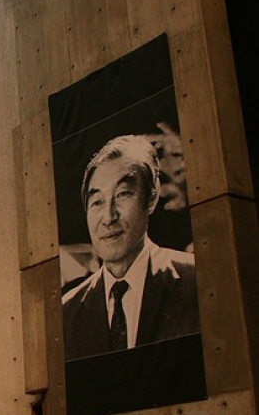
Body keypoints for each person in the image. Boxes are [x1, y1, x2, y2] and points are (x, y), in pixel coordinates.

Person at [62, 135, 200, 361]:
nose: (108, 217)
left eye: (123, 194)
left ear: (152, 198)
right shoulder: (67, 312)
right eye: (97, 202)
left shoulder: (198, 280)